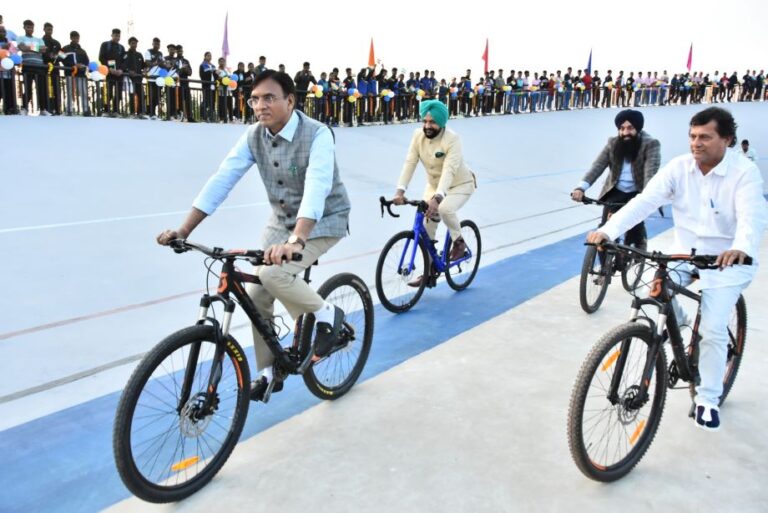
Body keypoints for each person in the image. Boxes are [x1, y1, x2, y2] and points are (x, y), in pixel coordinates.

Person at [156, 70, 351, 402]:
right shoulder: (253, 136)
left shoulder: (318, 134)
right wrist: (184, 230)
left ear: (290, 101)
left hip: (322, 220)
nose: (261, 106)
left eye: (269, 98)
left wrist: (297, 239)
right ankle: (269, 370)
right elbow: (223, 178)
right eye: (255, 99)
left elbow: (316, 188)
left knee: (274, 274)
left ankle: (327, 316)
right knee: (257, 292)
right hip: (281, 223)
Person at [587, 107, 767, 432]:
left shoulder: (744, 173)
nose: (696, 143)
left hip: (727, 260)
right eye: (692, 136)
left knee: (712, 328)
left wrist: (741, 246)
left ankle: (708, 398)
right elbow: (644, 202)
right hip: (684, 253)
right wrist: (608, 231)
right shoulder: (679, 167)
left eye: (705, 137)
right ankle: (681, 326)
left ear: (727, 139)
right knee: (651, 291)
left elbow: (751, 216)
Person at [391, 100, 477, 287]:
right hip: (434, 185)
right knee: (426, 225)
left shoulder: (452, 139)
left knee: (445, 209)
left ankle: (459, 242)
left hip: (460, 184)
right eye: (425, 121)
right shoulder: (418, 136)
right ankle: (430, 272)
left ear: (442, 123)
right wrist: (400, 191)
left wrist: (437, 198)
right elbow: (410, 163)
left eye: (432, 122)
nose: (427, 126)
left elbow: (449, 170)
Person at [571, 109, 661, 250]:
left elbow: (651, 172)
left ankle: (639, 241)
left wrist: (648, 195)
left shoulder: (650, 144)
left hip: (637, 192)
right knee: (603, 232)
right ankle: (604, 262)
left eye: (630, 128)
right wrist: (581, 188)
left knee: (635, 229)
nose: (625, 132)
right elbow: (597, 166)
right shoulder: (612, 143)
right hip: (615, 192)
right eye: (622, 128)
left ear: (638, 128)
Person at [16, 20, 48, 115]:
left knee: (41, 88)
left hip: (39, 66)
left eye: (31, 27)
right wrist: (36, 48)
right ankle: (25, 109)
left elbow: (43, 50)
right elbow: (22, 48)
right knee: (27, 88)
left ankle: (43, 109)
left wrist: (29, 47)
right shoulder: (20, 38)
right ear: (24, 27)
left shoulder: (39, 39)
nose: (30, 29)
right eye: (28, 27)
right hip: (27, 65)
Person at [60, 30, 90, 116]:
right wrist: (73, 65)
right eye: (74, 37)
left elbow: (87, 61)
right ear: (71, 38)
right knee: (70, 92)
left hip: (81, 74)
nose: (76, 39)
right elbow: (60, 58)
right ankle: (69, 110)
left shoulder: (82, 51)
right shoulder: (65, 48)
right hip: (70, 74)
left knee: (83, 92)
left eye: (77, 37)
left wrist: (82, 65)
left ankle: (86, 110)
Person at [98, 28, 125, 116]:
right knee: (108, 93)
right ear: (112, 35)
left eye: (119, 36)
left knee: (118, 94)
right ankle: (105, 110)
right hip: (109, 73)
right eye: (115, 35)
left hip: (119, 74)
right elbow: (101, 58)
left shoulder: (121, 48)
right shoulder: (105, 45)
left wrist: (121, 70)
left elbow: (124, 61)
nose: (117, 37)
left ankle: (116, 111)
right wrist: (109, 69)